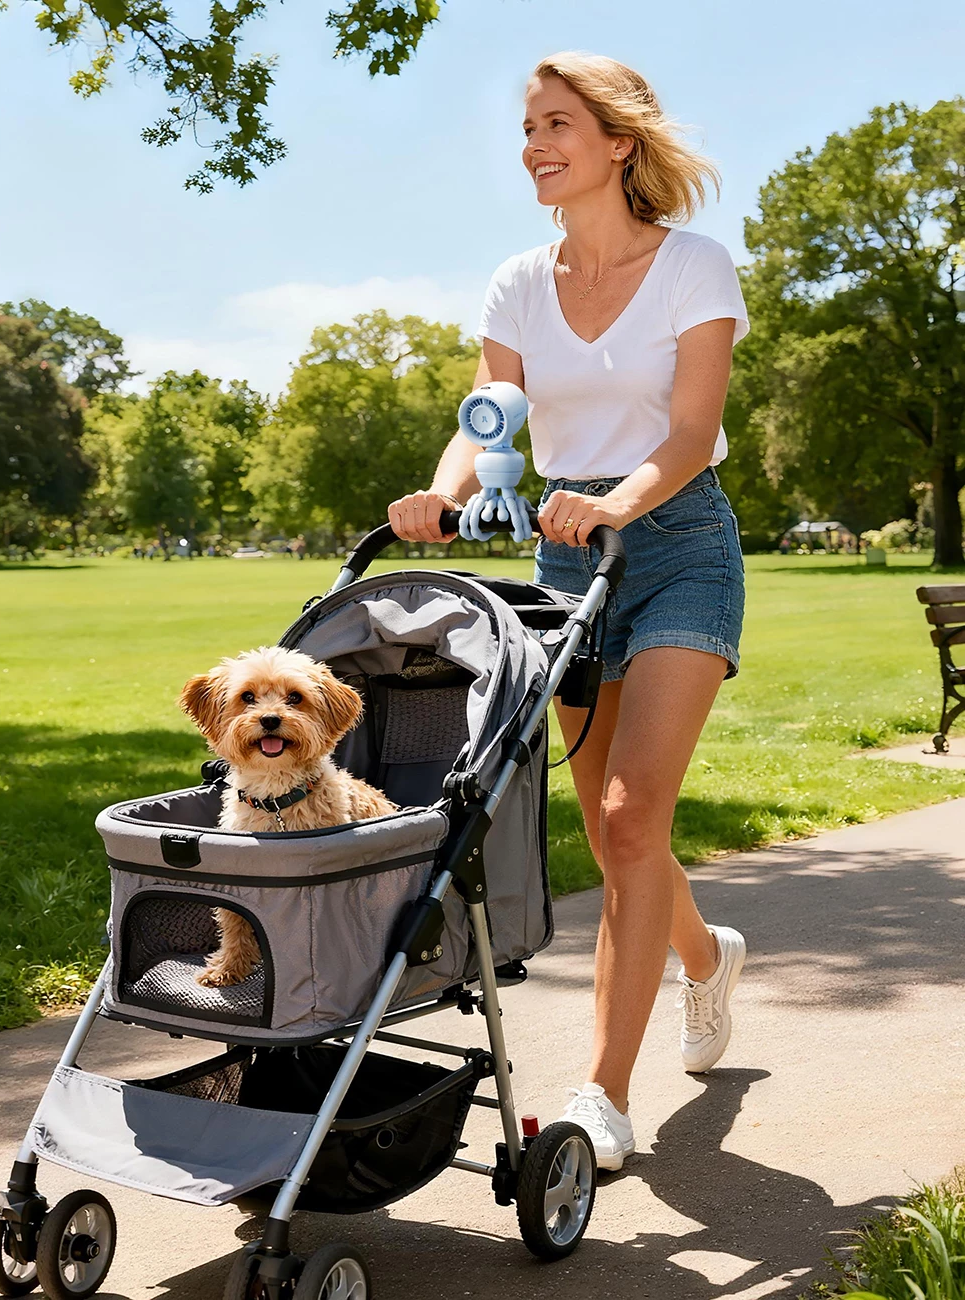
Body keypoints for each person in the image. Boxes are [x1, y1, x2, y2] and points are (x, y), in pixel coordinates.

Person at [388, 51, 749, 1172]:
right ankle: (703, 953)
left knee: (636, 817)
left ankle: (601, 1094)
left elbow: (687, 437)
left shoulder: (694, 267)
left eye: (558, 125)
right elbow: (490, 418)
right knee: (606, 829)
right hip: (562, 567)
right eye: (529, 129)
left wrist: (614, 503)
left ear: (618, 144)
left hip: (679, 547)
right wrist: (444, 492)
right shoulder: (517, 282)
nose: (535, 145)